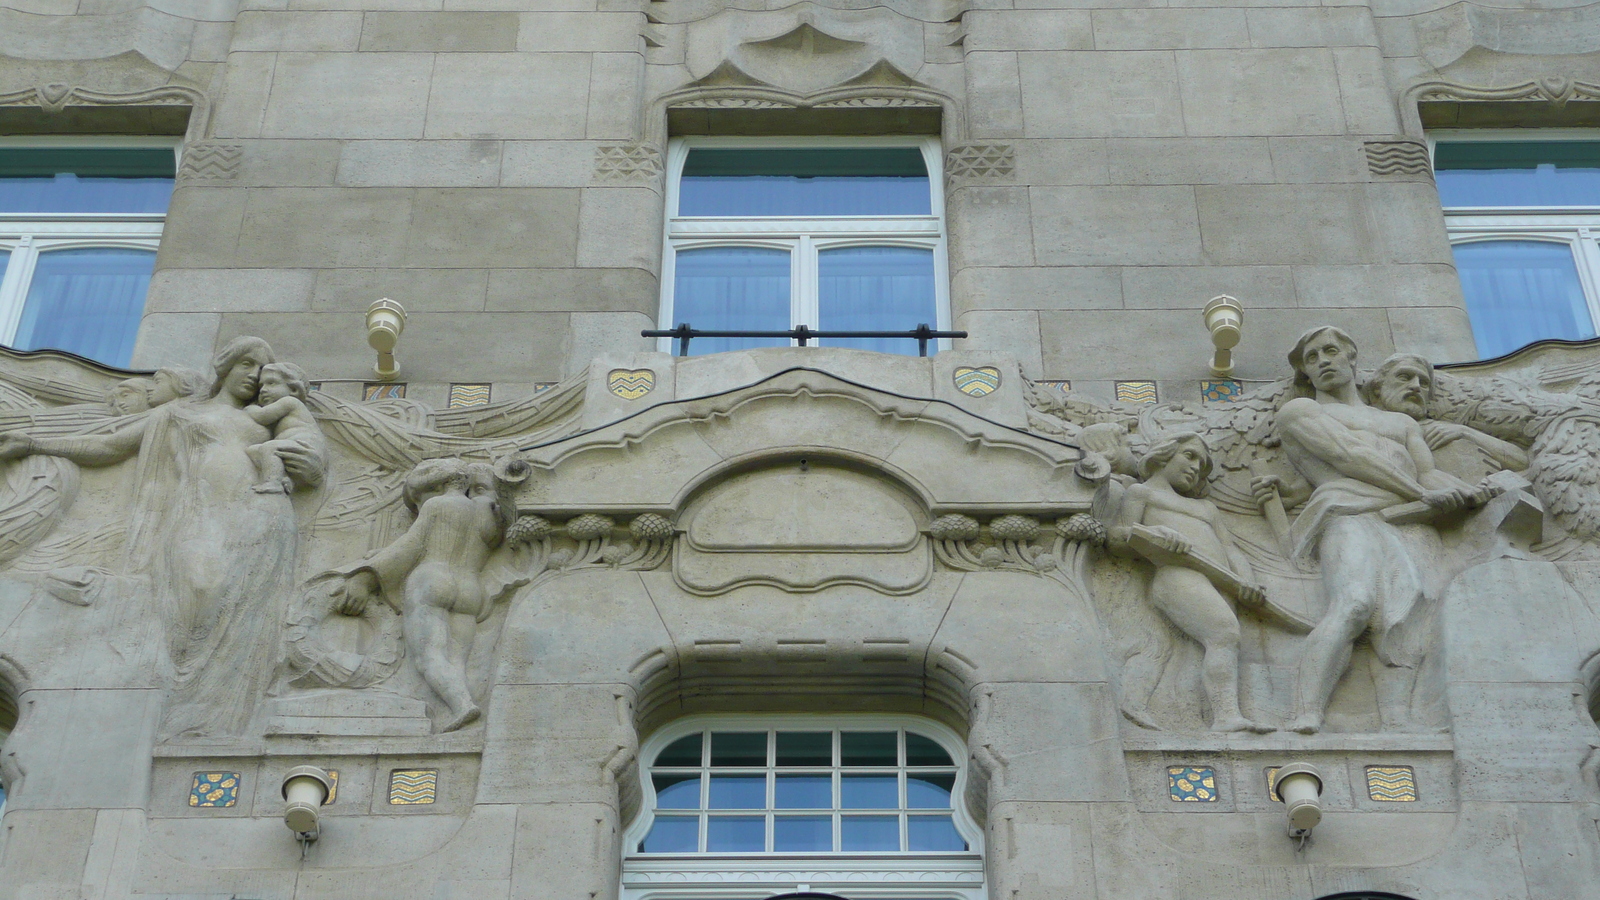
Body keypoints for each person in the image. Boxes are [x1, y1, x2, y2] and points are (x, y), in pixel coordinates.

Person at [0, 336, 326, 738]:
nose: (254, 376)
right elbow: (110, 445)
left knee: (244, 620)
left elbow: (310, 456)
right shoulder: (179, 413)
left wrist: (307, 461)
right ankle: (176, 715)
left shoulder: (268, 418)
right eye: (247, 364)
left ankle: (218, 725)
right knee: (197, 596)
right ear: (224, 367)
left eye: (261, 371)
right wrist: (34, 443)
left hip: (262, 516)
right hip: (198, 516)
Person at [1254, 327, 1484, 734]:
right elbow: (1348, 455)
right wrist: (1419, 492)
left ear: (1352, 357)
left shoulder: (1400, 423)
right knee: (1355, 603)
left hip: (1410, 524)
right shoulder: (1301, 411)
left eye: (1330, 351)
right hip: (1349, 513)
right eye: (1311, 358)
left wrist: (1470, 492)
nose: (1322, 361)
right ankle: (1306, 713)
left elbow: (1427, 473)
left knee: (1411, 620)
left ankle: (1399, 721)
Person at [334, 458, 517, 733]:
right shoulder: (487, 512)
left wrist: (366, 577)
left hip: (432, 580)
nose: (419, 506)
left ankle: (462, 705)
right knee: (457, 659)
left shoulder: (438, 505)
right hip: (470, 589)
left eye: (419, 499)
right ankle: (462, 703)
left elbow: (410, 546)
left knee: (429, 656)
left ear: (438, 486)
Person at [1107, 432, 1273, 733]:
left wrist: (1247, 580)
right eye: (1190, 456)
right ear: (1163, 455)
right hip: (1178, 574)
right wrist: (1155, 532)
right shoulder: (1142, 493)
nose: (1196, 467)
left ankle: (1197, 716)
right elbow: (1117, 537)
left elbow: (1231, 549)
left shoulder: (1206, 509)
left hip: (1222, 582)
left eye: (1202, 464)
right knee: (1224, 634)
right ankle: (1226, 717)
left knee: (1211, 647)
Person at [244, 362, 325, 494]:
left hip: (306, 446)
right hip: (291, 450)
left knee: (270, 448)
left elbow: (262, 416)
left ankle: (273, 482)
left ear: (293, 389)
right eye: (261, 386)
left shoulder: (290, 402)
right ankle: (288, 480)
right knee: (253, 451)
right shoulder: (282, 411)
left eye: (271, 383)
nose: (263, 390)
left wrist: (251, 409)